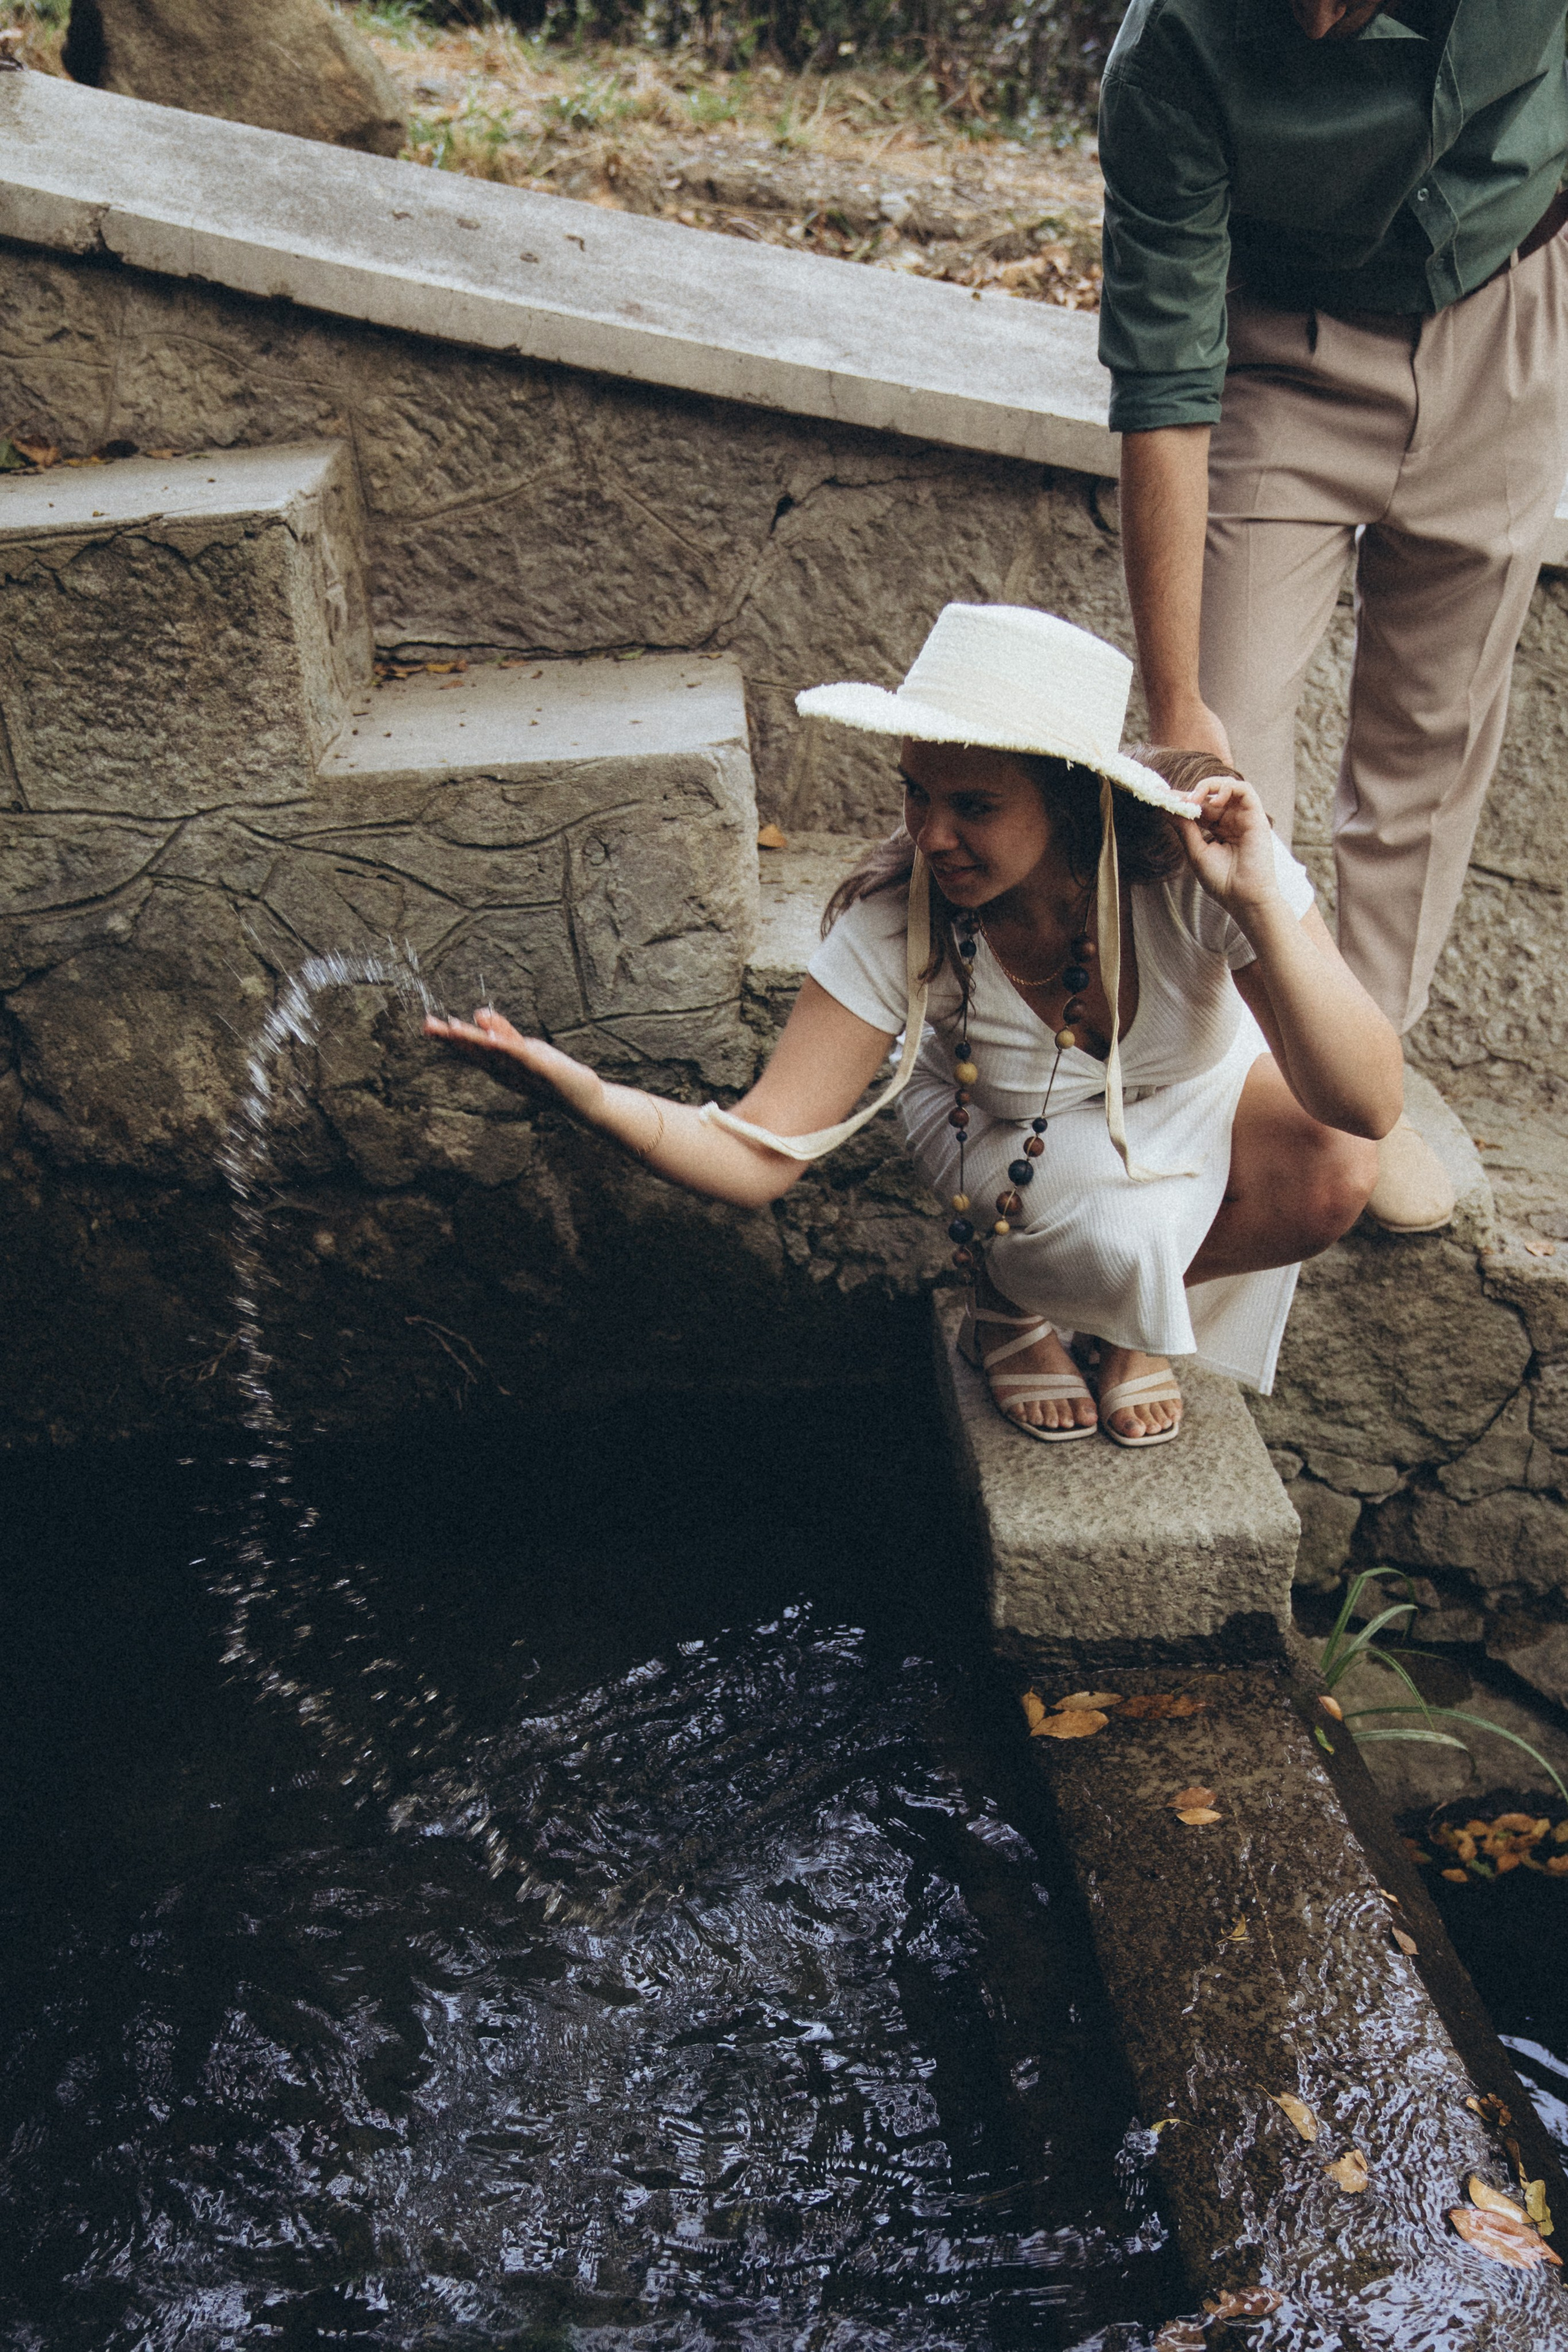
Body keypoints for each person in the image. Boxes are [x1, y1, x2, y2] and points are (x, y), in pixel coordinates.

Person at [426, 605, 1402, 1447]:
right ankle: (1009, 1298)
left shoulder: (1196, 872)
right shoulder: (902, 914)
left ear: (1072, 802)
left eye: (973, 804)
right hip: (1004, 1125)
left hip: (1192, 1090)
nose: (931, 836)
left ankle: (1135, 1322)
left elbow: (1368, 1103)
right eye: (917, 792)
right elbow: (761, 1156)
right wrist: (588, 1096)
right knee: (1109, 1227)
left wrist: (1266, 906)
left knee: (1336, 1170)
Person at [1099, 0, 1568, 1233]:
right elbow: (1160, 379)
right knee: (1229, 741)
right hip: (1281, 348)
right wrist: (1177, 701)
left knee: (1429, 735)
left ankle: (1363, 1081)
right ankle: (1242, 1075)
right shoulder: (1173, 51)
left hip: (1511, 310)